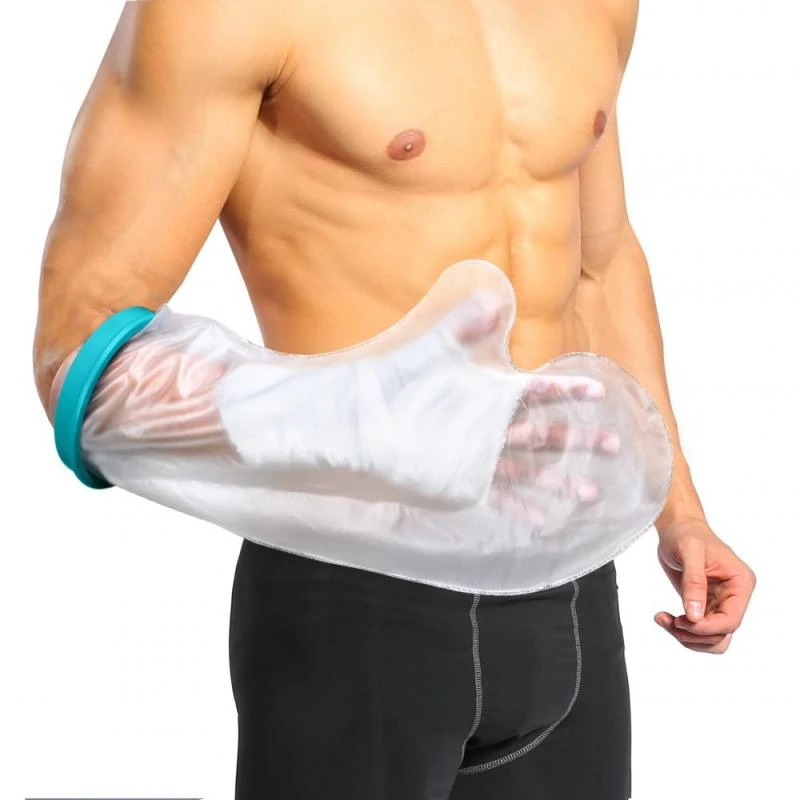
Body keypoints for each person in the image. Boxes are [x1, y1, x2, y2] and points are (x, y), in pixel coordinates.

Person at [32, 1, 757, 798]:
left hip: (569, 581)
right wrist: (365, 420)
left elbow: (600, 264)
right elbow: (79, 357)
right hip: (357, 585)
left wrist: (681, 513)